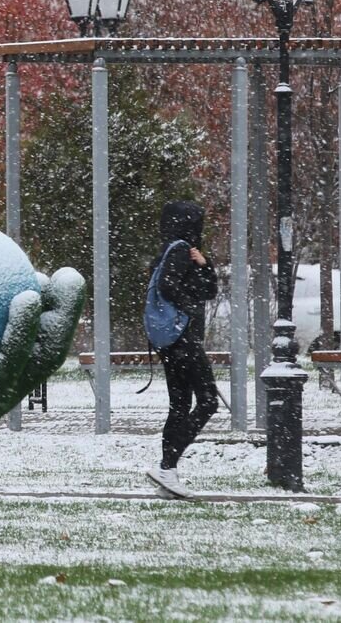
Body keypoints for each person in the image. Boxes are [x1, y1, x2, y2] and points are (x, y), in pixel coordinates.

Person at [145, 201, 220, 499]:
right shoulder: (180, 250)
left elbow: (209, 290)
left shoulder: (169, 250)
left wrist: (205, 265)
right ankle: (167, 466)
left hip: (170, 341)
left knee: (179, 405)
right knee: (208, 402)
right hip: (184, 340)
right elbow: (168, 286)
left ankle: (168, 475)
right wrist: (188, 312)